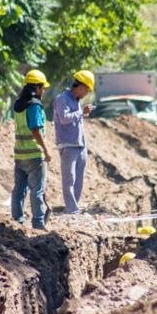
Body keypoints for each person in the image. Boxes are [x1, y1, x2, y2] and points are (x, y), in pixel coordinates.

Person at [12, 70, 53, 230]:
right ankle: (38, 223)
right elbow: (35, 129)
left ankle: (17, 221)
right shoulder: (34, 105)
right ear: (38, 87)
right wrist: (46, 150)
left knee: (19, 189)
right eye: (43, 88)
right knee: (37, 190)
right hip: (35, 155)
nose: (43, 91)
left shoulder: (18, 104)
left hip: (20, 154)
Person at [53, 70, 95, 214]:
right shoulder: (62, 98)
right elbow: (64, 118)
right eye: (87, 90)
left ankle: (74, 206)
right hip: (68, 144)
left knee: (79, 178)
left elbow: (75, 120)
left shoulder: (77, 101)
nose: (87, 93)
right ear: (81, 86)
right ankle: (71, 209)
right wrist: (81, 113)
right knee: (69, 178)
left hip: (79, 144)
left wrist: (83, 114)